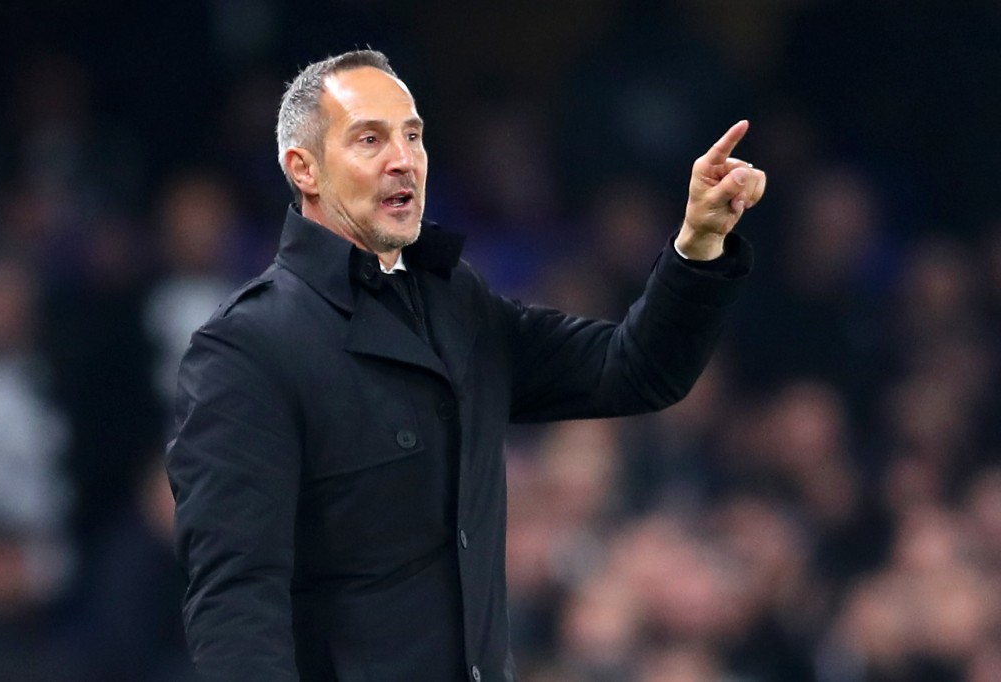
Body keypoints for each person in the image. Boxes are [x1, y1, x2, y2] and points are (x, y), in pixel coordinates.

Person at [165, 48, 765, 682]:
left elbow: (635, 369)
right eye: (370, 139)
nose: (404, 159)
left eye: (413, 135)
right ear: (303, 169)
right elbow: (235, 599)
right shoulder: (247, 349)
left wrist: (697, 246)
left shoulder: (457, 304)